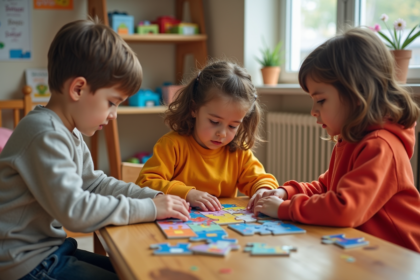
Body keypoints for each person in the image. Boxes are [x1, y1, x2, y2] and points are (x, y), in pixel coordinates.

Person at [0, 19, 190, 280]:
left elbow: (94, 185)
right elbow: (76, 211)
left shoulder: (69, 132)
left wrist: (156, 198)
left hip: (49, 251)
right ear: (78, 89)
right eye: (112, 103)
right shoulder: (44, 134)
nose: (114, 115)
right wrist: (152, 209)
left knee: (134, 270)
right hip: (26, 263)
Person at [248, 27, 420, 253]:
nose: (313, 111)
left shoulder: (381, 146)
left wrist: (284, 209)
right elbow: (325, 187)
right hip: (363, 250)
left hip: (398, 257)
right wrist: (285, 192)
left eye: (320, 100)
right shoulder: (352, 139)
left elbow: (344, 207)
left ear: (356, 94)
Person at [136, 60, 279, 211]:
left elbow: (260, 179)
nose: (222, 133)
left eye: (233, 126)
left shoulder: (238, 152)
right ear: (194, 108)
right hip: (179, 223)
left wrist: (262, 190)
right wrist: (188, 193)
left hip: (222, 228)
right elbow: (145, 183)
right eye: (214, 121)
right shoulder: (172, 145)